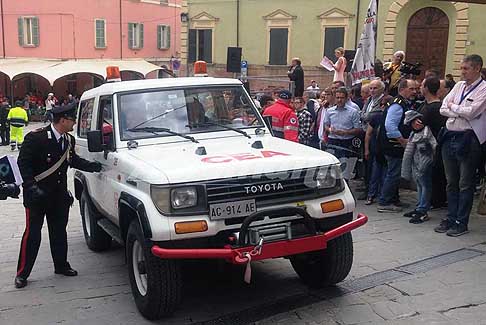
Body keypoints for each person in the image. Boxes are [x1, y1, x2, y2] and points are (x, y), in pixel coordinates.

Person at [14, 102, 103, 289]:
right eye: (72, 120)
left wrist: (93, 167)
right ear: (62, 120)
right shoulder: (36, 138)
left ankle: (61, 265)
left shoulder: (67, 140)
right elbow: (23, 165)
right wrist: (31, 187)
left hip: (58, 197)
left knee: (59, 233)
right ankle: (22, 273)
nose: (74, 123)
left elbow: (73, 160)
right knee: (32, 235)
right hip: (37, 197)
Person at [434, 54, 486, 237]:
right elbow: (442, 107)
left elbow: (472, 112)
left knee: (465, 183)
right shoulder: (458, 86)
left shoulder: (483, 88)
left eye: (466, 68)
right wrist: (458, 110)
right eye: (461, 68)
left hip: (468, 139)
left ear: (477, 68)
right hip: (450, 136)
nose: (462, 72)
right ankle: (450, 217)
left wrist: (453, 108)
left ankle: (461, 222)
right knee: (451, 182)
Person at [376, 79, 415, 212]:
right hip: (393, 145)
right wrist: (401, 140)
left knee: (394, 173)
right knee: (393, 173)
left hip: (393, 144)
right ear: (403, 89)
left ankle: (393, 199)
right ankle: (384, 202)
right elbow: (390, 125)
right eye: (412, 89)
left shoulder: (402, 103)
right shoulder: (398, 105)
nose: (414, 92)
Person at [401, 110, 437, 223]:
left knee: (425, 186)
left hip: (424, 165)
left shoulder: (426, 134)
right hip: (417, 165)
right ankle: (419, 206)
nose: (416, 124)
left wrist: (425, 164)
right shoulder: (415, 134)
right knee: (420, 185)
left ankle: (423, 210)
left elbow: (431, 150)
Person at [417, 77, 447, 209]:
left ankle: (429, 202)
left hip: (430, 147)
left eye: (422, 85)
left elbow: (419, 126)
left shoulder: (432, 108)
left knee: (426, 177)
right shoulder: (430, 105)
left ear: (427, 88)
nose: (420, 88)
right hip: (432, 147)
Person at [320, 87, 362, 178]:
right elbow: (326, 125)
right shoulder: (330, 111)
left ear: (346, 98)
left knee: (345, 169)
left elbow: (358, 129)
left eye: (342, 98)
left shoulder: (353, 112)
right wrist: (330, 130)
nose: (339, 100)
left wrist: (345, 132)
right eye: (338, 97)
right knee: (332, 166)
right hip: (332, 141)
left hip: (346, 143)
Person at [364, 95, 392, 205]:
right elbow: (368, 134)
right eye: (382, 105)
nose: (383, 107)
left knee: (385, 176)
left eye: (386, 105)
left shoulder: (392, 116)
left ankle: (382, 196)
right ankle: (371, 195)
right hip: (377, 151)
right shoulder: (376, 117)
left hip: (387, 151)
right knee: (375, 175)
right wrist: (367, 149)